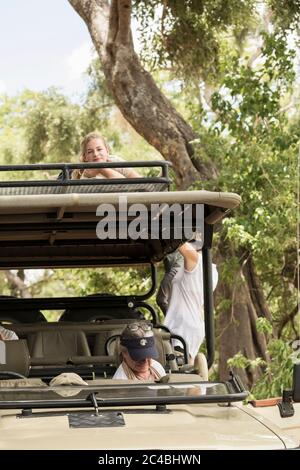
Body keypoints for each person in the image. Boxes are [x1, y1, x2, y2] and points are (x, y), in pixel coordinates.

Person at [163, 242, 218, 364]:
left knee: (179, 369)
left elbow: (177, 239)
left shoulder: (196, 261)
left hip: (183, 327)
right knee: (187, 367)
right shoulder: (211, 269)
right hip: (190, 324)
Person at [71, 131, 140, 180]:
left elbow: (141, 182)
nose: (95, 154)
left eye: (99, 149)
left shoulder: (116, 161)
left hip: (123, 200)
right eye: (90, 152)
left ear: (107, 151)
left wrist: (101, 169)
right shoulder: (86, 173)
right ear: (85, 157)